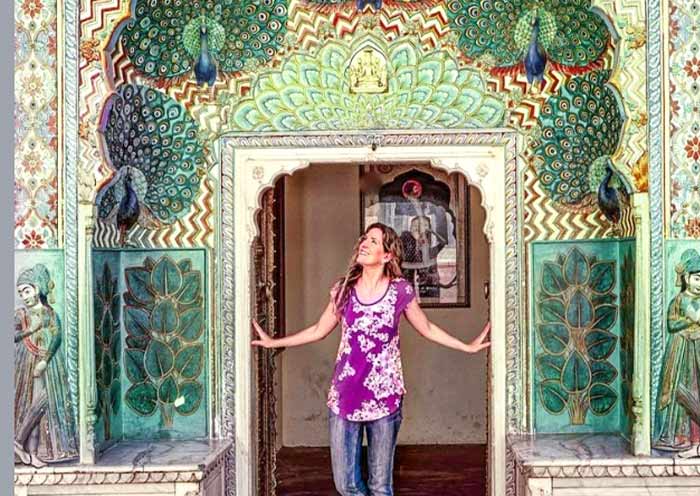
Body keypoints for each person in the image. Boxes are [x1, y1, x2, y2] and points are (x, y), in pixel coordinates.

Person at [251, 222, 490, 495]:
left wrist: (466, 346)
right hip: (345, 398)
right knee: (346, 484)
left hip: (385, 398)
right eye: (364, 239)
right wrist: (274, 342)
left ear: (387, 255)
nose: (364, 243)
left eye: (373, 241)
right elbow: (318, 330)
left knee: (380, 486)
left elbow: (427, 328)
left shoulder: (401, 291)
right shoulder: (344, 290)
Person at [14, 264, 78, 467]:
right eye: (20, 292)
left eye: (27, 290)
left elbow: (56, 337)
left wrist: (44, 361)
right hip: (25, 364)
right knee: (35, 404)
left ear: (37, 288)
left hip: (47, 365)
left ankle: (19, 443)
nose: (24, 296)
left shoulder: (50, 313)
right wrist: (29, 330)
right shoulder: (20, 314)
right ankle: (28, 451)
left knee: (41, 404)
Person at [655, 248, 700, 457]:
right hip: (681, 351)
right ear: (686, 279)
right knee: (681, 391)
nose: (699, 283)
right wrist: (690, 319)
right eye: (697, 278)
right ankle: (683, 438)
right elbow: (672, 325)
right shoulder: (679, 300)